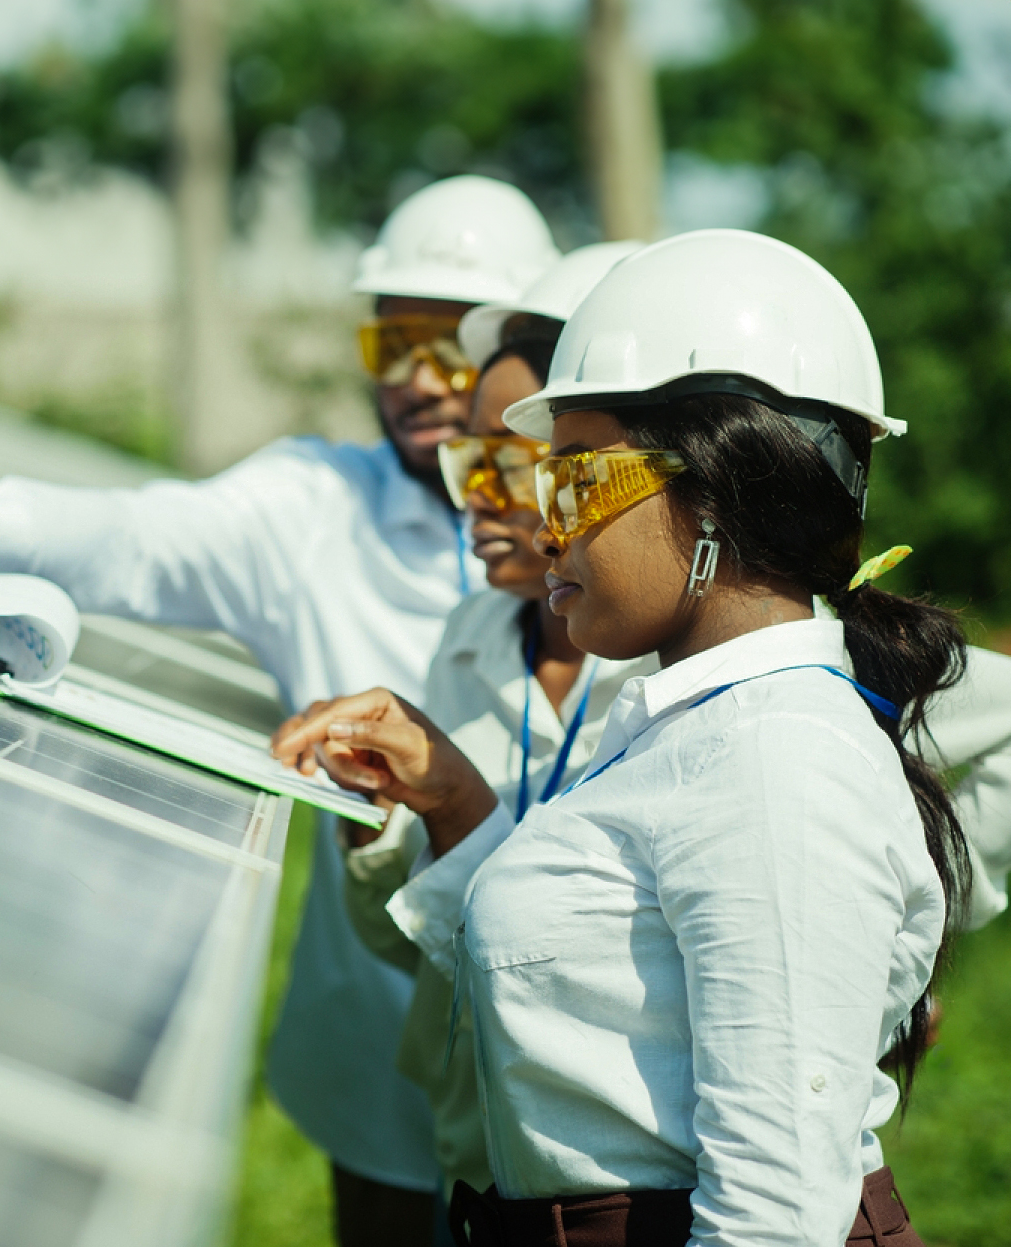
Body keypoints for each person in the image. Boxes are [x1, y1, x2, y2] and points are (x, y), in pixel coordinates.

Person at [0, 175, 560, 1246]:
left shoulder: (607, 557)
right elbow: (141, 536)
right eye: (390, 344)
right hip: (375, 1042)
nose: (416, 381)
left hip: (561, 1062)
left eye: (450, 347)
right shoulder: (315, 507)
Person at [272, 229, 977, 1245]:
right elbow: (598, 963)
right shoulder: (688, 719)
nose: (543, 523)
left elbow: (772, 1216)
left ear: (714, 490)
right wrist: (450, 800)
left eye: (571, 478)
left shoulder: (777, 762)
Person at [337, 243, 656, 1202]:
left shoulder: (687, 664)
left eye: (514, 463)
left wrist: (894, 964)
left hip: (614, 1185)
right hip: (477, 1164)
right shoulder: (475, 629)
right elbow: (415, 943)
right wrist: (382, 826)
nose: (471, 493)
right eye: (465, 457)